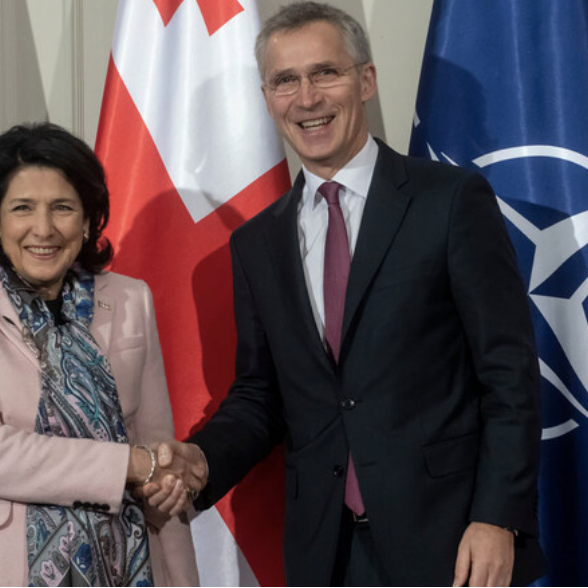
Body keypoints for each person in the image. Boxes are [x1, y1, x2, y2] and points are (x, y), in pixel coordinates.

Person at [144, 2, 544, 586]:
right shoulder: (257, 244)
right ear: (266, 97)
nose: (307, 98)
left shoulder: (450, 202)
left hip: (452, 541)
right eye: (286, 81)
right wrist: (203, 460)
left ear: (366, 80)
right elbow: (262, 396)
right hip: (323, 552)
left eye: (324, 72)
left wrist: (497, 519)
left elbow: (509, 375)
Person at [0, 123, 200, 586]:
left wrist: (164, 484)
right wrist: (129, 464)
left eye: (62, 208)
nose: (43, 229)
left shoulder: (130, 298)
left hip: (130, 565)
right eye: (22, 208)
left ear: (87, 222)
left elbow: (156, 449)